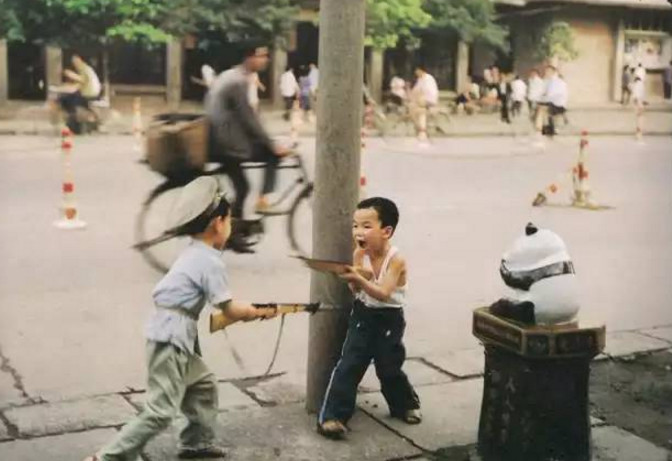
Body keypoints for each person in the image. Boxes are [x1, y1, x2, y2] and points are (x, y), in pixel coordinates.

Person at [82, 177, 274, 461]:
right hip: (171, 339)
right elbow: (230, 310)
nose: (231, 227)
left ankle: (196, 444)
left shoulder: (192, 250)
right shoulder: (211, 261)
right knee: (161, 411)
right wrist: (257, 311)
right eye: (230, 221)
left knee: (203, 384)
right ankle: (108, 457)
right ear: (218, 223)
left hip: (173, 335)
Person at [317, 197, 421, 439]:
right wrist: (353, 281)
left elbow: (384, 293)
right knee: (349, 363)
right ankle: (333, 417)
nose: (358, 232)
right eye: (355, 225)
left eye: (366, 226)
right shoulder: (359, 254)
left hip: (389, 318)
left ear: (387, 231)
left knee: (389, 367)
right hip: (363, 314)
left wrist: (360, 279)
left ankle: (404, 404)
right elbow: (358, 292)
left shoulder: (396, 260)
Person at [205, 42, 290, 252]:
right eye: (260, 56)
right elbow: (248, 119)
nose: (264, 60)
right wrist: (271, 144)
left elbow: (249, 118)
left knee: (241, 187)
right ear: (248, 58)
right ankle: (261, 200)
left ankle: (233, 232)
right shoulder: (238, 82)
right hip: (228, 143)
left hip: (221, 139)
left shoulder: (231, 76)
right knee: (270, 158)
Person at [54, 54, 102, 131]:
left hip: (88, 94)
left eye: (76, 62)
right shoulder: (85, 69)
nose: (75, 64)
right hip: (89, 93)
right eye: (73, 62)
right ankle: (73, 119)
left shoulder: (84, 69)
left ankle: (71, 119)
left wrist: (70, 75)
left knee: (63, 100)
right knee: (69, 98)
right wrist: (65, 86)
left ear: (80, 60)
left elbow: (82, 80)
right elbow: (79, 85)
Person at [540, 66, 568, 137]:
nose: (546, 73)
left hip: (557, 103)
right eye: (546, 71)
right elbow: (545, 92)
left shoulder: (557, 81)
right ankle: (550, 128)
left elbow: (554, 94)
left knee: (544, 111)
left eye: (548, 71)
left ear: (553, 72)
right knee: (543, 111)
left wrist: (545, 98)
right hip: (552, 102)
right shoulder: (549, 81)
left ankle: (551, 128)